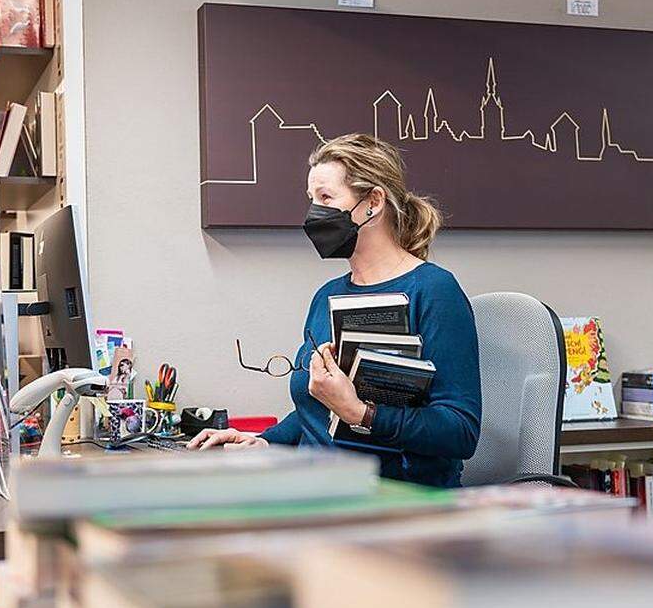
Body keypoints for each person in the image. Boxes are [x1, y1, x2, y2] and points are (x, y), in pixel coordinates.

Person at [188, 133, 482, 487]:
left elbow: (460, 432)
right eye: (312, 199)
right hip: (316, 488)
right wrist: (266, 441)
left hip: (393, 499)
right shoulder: (327, 297)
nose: (314, 212)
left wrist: (360, 412)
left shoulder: (434, 291)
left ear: (373, 202)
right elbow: (317, 410)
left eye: (326, 197)